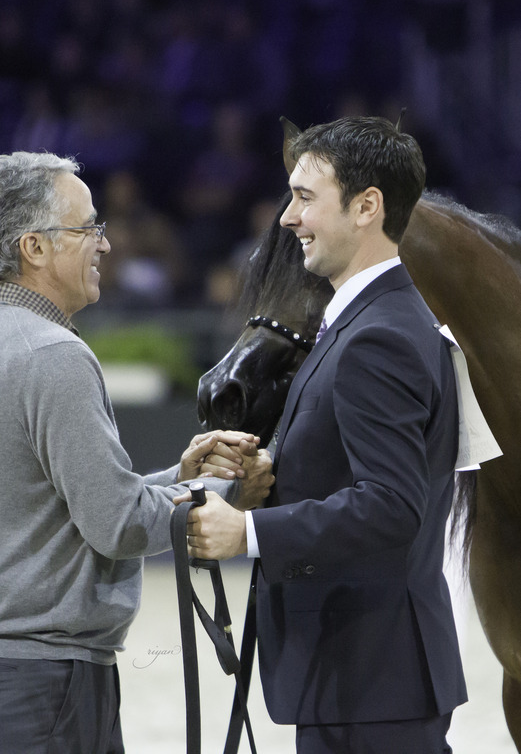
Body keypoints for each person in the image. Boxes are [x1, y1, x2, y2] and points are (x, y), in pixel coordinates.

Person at [0, 151, 274, 754]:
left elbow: (67, 501)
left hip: (1, 670)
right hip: (49, 680)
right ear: (33, 247)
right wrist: (229, 494)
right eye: (88, 226)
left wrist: (181, 475)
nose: (105, 243)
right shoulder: (52, 354)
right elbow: (118, 524)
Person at [183, 117, 467, 753]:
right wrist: (268, 488)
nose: (287, 218)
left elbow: (391, 505)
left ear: (368, 207)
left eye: (305, 198)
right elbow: (351, 476)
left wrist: (247, 532)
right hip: (362, 678)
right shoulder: (363, 324)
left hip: (371, 680)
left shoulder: (379, 337)